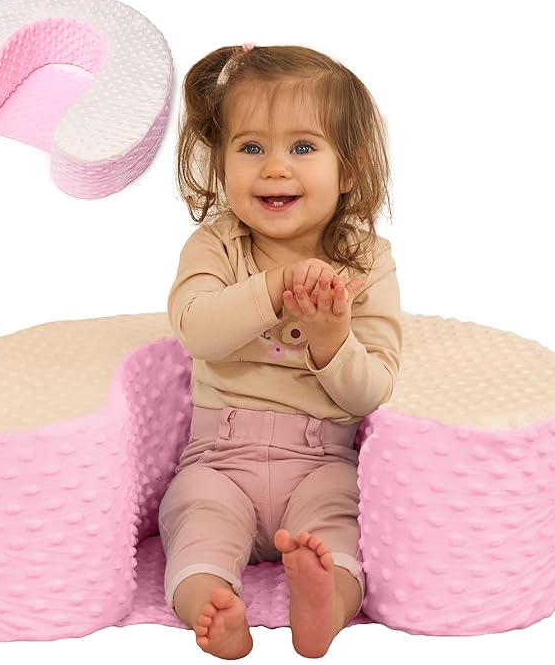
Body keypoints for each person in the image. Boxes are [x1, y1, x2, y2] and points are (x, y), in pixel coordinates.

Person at [159, 42, 402, 659]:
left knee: (340, 529)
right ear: (221, 164)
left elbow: (371, 391)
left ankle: (325, 602)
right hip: (219, 458)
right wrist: (271, 290)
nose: (273, 168)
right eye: (250, 148)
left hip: (322, 461)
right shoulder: (216, 246)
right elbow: (196, 330)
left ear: (348, 170)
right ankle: (214, 606)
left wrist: (330, 338)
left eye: (302, 147)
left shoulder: (366, 262)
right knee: (194, 521)